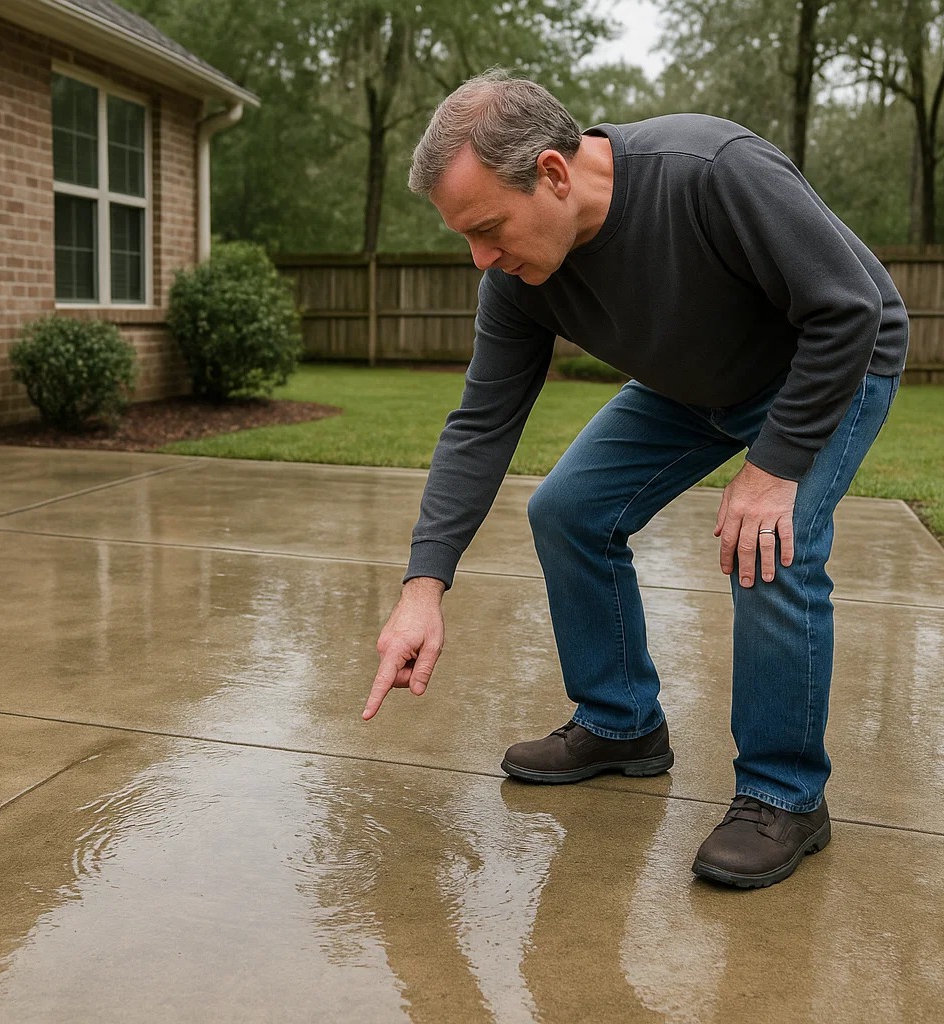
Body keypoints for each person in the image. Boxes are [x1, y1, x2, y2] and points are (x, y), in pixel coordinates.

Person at [361, 70, 909, 889]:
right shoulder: (515, 283)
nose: (481, 258)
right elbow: (481, 424)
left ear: (551, 173)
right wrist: (422, 584)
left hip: (828, 365)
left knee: (770, 543)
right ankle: (621, 724)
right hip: (692, 385)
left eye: (486, 228)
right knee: (568, 510)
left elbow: (848, 308)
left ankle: (785, 794)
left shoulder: (712, 170)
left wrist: (772, 469)